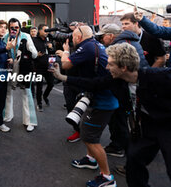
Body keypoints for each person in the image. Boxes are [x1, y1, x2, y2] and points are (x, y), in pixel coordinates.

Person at [52, 42, 171, 187]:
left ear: (124, 67)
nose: (107, 68)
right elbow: (93, 83)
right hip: (146, 126)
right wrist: (62, 77)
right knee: (133, 160)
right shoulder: (115, 80)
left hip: (167, 125)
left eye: (110, 64)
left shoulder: (159, 77)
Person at [55, 25, 119, 186]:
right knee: (86, 131)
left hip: (102, 100)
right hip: (98, 96)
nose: (72, 39)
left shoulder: (88, 47)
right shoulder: (94, 44)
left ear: (78, 37)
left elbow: (66, 65)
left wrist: (65, 52)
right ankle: (91, 160)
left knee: (90, 138)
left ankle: (107, 178)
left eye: (73, 36)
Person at [95, 23, 149, 159]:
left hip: (132, 89)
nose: (101, 40)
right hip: (133, 88)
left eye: (102, 37)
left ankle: (121, 148)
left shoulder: (121, 46)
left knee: (122, 119)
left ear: (110, 36)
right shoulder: (131, 41)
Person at [3, 18, 38, 132]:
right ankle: (7, 115)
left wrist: (28, 49)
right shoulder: (5, 37)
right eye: (12, 27)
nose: (14, 30)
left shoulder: (26, 36)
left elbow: (35, 54)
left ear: (19, 27)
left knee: (27, 93)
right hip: (9, 69)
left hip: (23, 69)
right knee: (7, 93)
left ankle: (30, 121)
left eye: (16, 27)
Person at [32, 24, 55, 111]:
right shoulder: (34, 40)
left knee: (51, 84)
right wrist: (36, 55)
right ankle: (39, 103)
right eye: (45, 30)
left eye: (48, 31)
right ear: (40, 30)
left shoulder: (49, 40)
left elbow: (53, 52)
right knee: (39, 86)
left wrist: (51, 47)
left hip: (49, 65)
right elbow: (31, 53)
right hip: (38, 66)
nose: (47, 33)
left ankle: (45, 96)